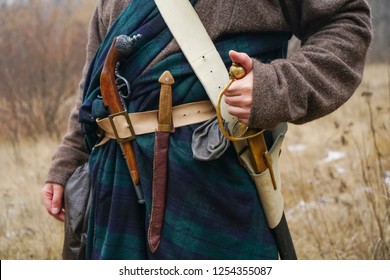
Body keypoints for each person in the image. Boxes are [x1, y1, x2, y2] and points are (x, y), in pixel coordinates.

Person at [41, 0, 372, 259]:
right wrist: (69, 159)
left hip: (210, 178)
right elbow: (96, 79)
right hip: (115, 185)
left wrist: (276, 87)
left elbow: (346, 22)